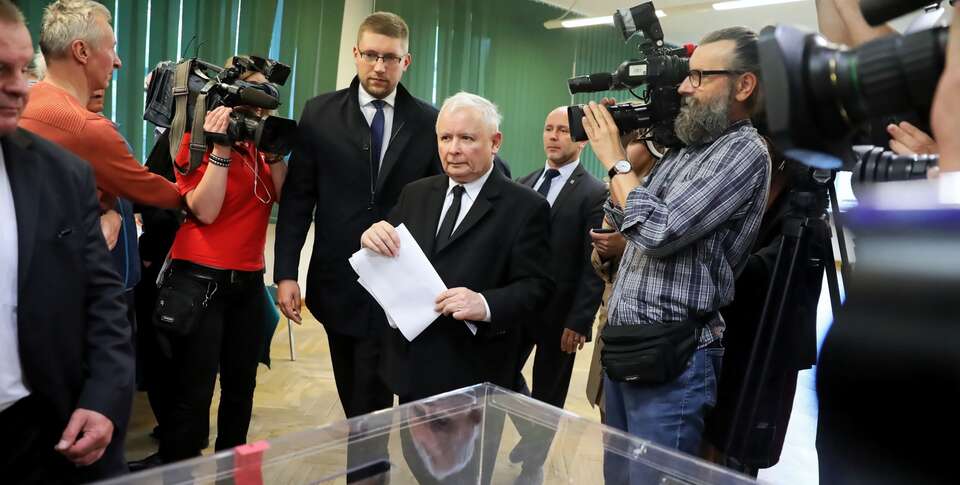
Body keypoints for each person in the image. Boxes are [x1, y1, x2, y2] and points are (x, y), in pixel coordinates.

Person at [580, 26, 771, 478]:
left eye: (700, 76)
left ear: (744, 85)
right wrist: (630, 157)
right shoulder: (686, 150)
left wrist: (616, 162)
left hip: (674, 360)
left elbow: (659, 230)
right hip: (629, 350)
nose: (685, 86)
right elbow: (629, 213)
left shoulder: (744, 152)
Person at [360, 91, 552, 484]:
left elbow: (538, 287)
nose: (454, 149)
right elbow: (391, 255)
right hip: (413, 368)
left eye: (467, 138)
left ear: (494, 142)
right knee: (422, 468)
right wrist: (372, 235)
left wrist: (484, 302)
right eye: (445, 138)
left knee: (462, 476)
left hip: (474, 373)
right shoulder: (417, 193)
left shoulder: (525, 207)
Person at [275, 11, 442, 422]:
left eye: (390, 57)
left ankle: (371, 465)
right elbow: (298, 199)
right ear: (355, 54)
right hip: (338, 285)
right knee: (355, 397)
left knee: (379, 398)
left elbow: (437, 203)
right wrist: (285, 273)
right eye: (370, 55)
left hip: (402, 285)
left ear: (407, 61)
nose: (379, 66)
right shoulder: (319, 114)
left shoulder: (430, 122)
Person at [0, 2, 134, 481]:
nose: (20, 86)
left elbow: (103, 300)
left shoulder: (63, 174)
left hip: (44, 434)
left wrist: (103, 400)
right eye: (1, 70)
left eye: (23, 68)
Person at [154, 59, 288, 464]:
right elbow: (205, 211)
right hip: (198, 282)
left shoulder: (263, 151)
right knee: (193, 392)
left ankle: (235, 474)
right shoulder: (193, 142)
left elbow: (285, 196)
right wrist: (222, 147)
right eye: (251, 103)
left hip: (248, 282)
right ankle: (178, 471)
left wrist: (276, 152)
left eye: (266, 104)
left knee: (241, 388)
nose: (259, 113)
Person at [18, 0, 181, 241]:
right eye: (111, 49)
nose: (118, 62)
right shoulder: (87, 128)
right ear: (82, 51)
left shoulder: (17, 106)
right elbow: (175, 197)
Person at [584, 132, 661, 420]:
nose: (625, 147)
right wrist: (605, 251)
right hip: (612, 325)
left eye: (634, 140)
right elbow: (600, 268)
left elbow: (663, 240)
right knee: (609, 426)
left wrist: (625, 245)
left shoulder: (660, 191)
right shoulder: (614, 191)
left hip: (642, 336)